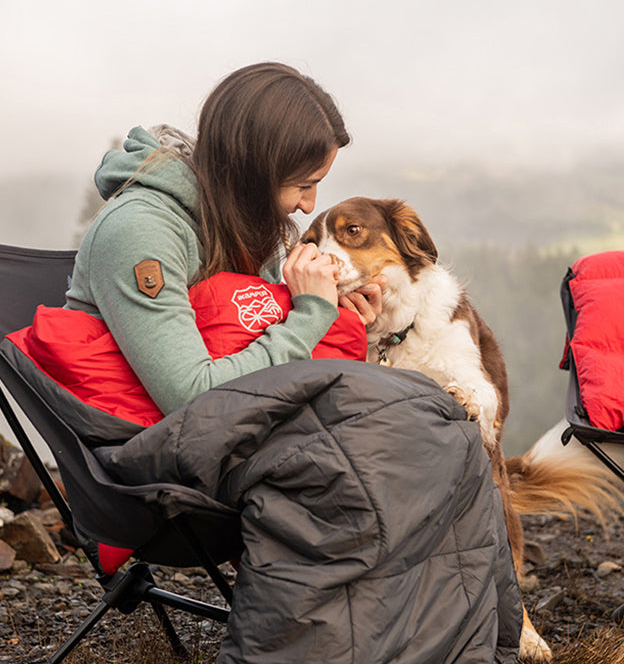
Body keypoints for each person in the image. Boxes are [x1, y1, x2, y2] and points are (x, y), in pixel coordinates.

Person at [64, 62, 384, 414]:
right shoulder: (141, 231)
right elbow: (195, 399)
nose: (309, 206)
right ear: (253, 173)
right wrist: (312, 315)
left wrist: (335, 314)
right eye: (303, 186)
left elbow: (242, 334)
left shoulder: (243, 220)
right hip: (144, 446)